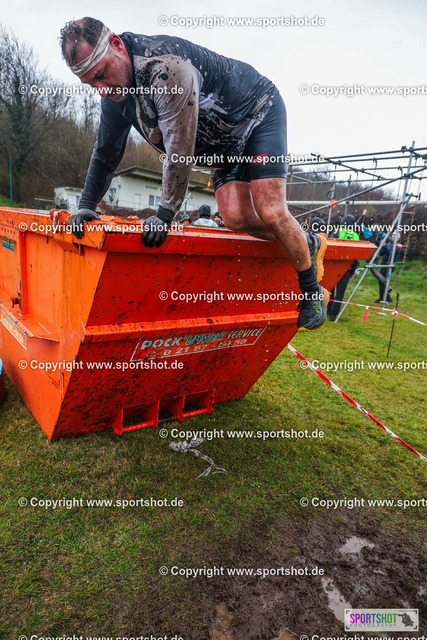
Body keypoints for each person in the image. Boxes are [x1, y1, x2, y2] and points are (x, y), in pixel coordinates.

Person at [60, 17, 328, 331]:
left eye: (101, 74)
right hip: (223, 145)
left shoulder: (165, 68)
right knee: (235, 218)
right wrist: (86, 205)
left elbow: (178, 149)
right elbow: (106, 152)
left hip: (257, 113)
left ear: (117, 45)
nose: (102, 89)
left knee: (270, 210)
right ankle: (307, 243)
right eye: (91, 84)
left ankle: (311, 289)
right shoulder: (116, 95)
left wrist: (165, 214)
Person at [328, 213, 360, 321]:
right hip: (347, 268)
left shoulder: (337, 231)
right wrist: (352, 271)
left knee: (330, 289)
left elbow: (330, 248)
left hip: (335, 266)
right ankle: (333, 314)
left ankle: (328, 309)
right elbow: (355, 256)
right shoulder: (355, 235)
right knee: (340, 293)